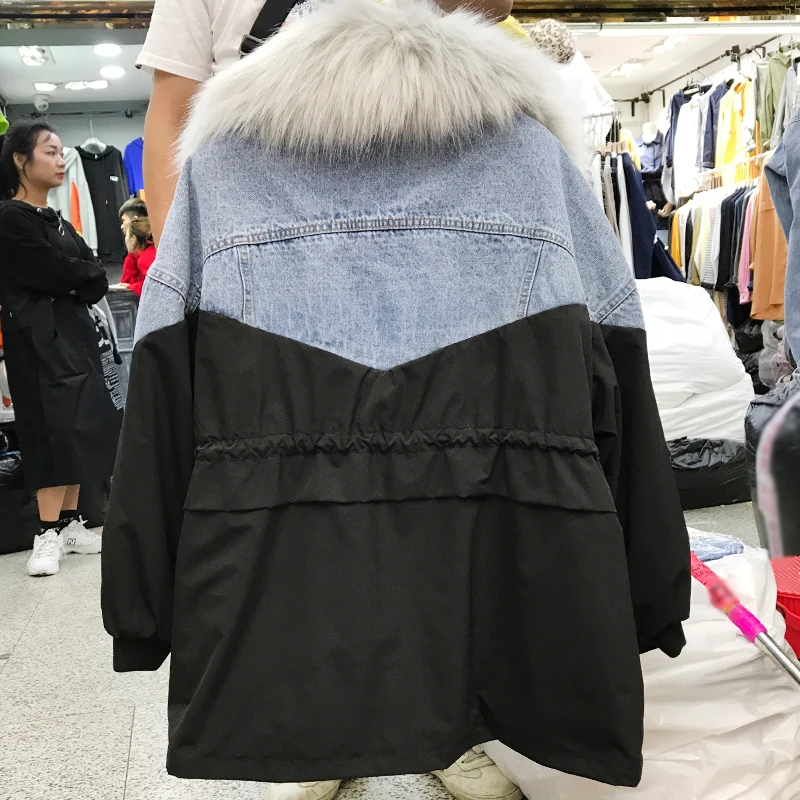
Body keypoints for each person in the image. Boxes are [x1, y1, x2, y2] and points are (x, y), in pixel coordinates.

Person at [102, 3, 690, 800]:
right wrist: (652, 591)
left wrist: (141, 609)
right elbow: (619, 367)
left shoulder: (222, 177)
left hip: (277, 590)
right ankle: (429, 725)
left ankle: (358, 732)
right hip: (506, 582)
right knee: (462, 641)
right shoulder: (531, 162)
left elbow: (159, 403)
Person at [137, 0, 514, 245]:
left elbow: (494, 6)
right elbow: (172, 115)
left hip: (421, 201)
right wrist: (176, 266)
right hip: (258, 220)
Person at [0, 121, 122, 577]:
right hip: (36, 340)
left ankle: (70, 523)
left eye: (59, 152)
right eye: (49, 152)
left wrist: (75, 277)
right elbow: (54, 271)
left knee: (76, 426)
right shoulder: (10, 218)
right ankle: (45, 532)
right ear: (20, 160)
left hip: (73, 336)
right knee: (47, 427)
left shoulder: (57, 220)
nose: (59, 160)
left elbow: (91, 273)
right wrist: (76, 277)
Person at [119, 198, 157, 298]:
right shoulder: (145, 252)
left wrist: (132, 287)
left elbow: (155, 285)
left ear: (134, 219)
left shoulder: (146, 257)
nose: (122, 226)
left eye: (123, 221)